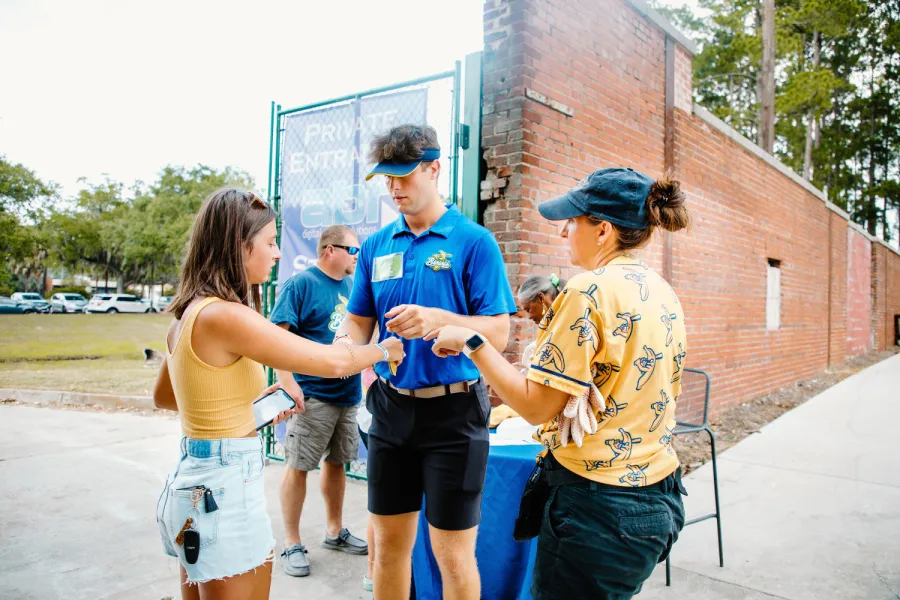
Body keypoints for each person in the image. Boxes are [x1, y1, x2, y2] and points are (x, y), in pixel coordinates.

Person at [426, 168, 691, 599]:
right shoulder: (662, 290)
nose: (565, 230)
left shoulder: (587, 291)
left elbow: (536, 407)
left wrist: (473, 343)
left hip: (597, 510)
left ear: (602, 230)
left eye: (573, 220)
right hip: (656, 499)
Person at [152, 189, 404, 600]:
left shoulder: (189, 314)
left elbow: (169, 396)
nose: (275, 254)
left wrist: (242, 406)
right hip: (223, 490)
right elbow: (332, 362)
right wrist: (384, 349)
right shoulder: (226, 315)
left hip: (196, 482)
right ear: (238, 244)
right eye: (269, 243)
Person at [335, 124, 517, 600]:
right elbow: (358, 321)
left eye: (405, 175)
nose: (395, 188)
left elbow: (500, 330)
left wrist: (440, 319)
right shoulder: (375, 246)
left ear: (435, 168)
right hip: (391, 410)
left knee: (451, 555)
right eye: (387, 179)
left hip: (454, 415)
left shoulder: (473, 241)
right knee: (389, 549)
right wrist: (346, 345)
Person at [269, 225, 368, 578]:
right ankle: (291, 543)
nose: (357, 257)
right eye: (352, 251)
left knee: (338, 463)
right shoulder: (301, 285)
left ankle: (334, 531)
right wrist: (287, 384)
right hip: (312, 395)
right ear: (330, 250)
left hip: (348, 394)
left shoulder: (352, 287)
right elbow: (277, 339)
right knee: (298, 467)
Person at [490, 274, 569, 427]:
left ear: (541, 298)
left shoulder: (561, 335)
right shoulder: (553, 331)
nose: (529, 316)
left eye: (528, 309)